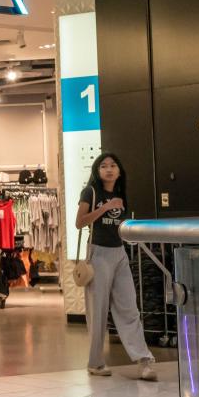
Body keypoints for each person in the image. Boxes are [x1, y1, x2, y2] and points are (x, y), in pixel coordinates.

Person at [76, 153, 157, 382]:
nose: (109, 169)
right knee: (98, 310)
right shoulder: (91, 192)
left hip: (119, 252)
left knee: (129, 307)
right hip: (98, 253)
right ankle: (95, 362)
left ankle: (145, 361)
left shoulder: (121, 193)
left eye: (113, 165)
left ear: (119, 170)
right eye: (104, 166)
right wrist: (106, 207)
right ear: (97, 170)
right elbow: (79, 222)